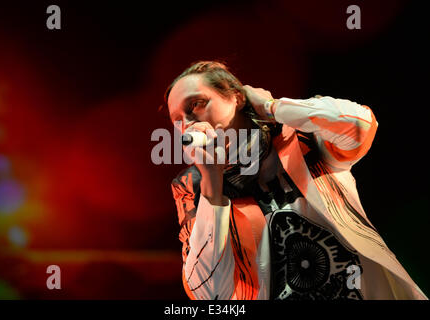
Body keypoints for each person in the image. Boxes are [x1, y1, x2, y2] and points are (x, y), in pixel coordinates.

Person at [164, 60, 427, 300]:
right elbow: (208, 294)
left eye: (196, 104)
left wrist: (273, 107)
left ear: (236, 97)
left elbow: (360, 125)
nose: (188, 124)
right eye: (177, 120)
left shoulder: (301, 138)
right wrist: (212, 179)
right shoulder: (193, 187)